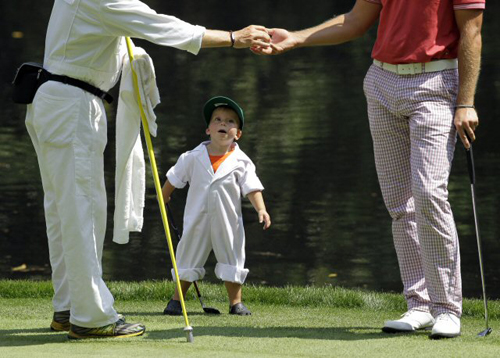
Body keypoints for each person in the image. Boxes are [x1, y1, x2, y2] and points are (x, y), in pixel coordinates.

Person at [25, 0, 270, 339]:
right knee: (82, 212)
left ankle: (69, 307)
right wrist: (232, 37)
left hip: (61, 101)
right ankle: (91, 316)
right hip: (71, 106)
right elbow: (163, 27)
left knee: (65, 211)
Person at [254, 0, 484, 338]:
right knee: (400, 204)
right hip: (382, 82)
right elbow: (356, 20)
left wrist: (466, 101)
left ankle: (447, 308)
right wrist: (297, 38)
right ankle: (419, 304)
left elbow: (472, 32)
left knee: (429, 194)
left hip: (435, 83)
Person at [162, 96, 271, 316]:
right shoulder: (191, 157)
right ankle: (177, 300)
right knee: (188, 255)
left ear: (237, 134)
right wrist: (164, 198)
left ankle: (235, 303)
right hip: (197, 219)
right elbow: (174, 179)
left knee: (232, 257)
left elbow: (252, 187)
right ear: (208, 130)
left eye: (231, 122)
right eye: (218, 120)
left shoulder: (241, 161)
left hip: (227, 221)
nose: (224, 124)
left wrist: (261, 209)